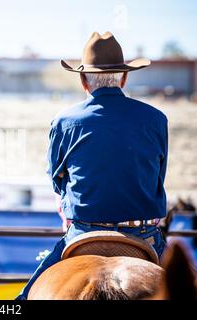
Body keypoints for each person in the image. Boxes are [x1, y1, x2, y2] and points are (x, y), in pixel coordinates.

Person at [16, 32, 168, 299]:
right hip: (144, 234)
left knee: (23, 299)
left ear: (83, 80)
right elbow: (158, 176)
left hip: (83, 231)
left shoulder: (64, 121)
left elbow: (56, 180)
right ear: (124, 77)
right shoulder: (156, 119)